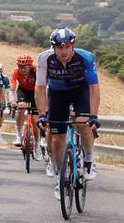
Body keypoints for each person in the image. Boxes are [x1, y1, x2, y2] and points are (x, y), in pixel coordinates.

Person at [38, 27, 102, 181]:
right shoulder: (44, 58)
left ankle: (89, 160)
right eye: (60, 47)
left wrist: (93, 115)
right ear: (53, 47)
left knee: (83, 124)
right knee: (57, 138)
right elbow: (39, 88)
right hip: (57, 94)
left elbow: (94, 88)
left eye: (67, 46)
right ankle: (59, 173)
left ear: (73, 45)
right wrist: (42, 114)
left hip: (80, 92)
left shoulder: (85, 57)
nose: (64, 51)